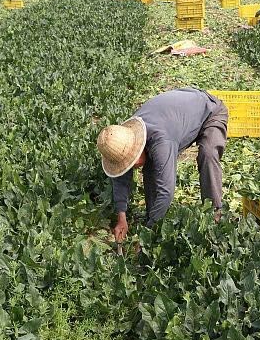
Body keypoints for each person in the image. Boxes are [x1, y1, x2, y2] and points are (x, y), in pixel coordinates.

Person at [97, 88, 229, 242]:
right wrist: (121, 216)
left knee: (208, 153)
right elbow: (120, 177)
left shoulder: (161, 141)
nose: (131, 167)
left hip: (210, 111)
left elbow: (166, 192)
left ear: (139, 147)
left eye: (131, 162)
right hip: (178, 114)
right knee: (151, 166)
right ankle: (153, 215)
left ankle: (214, 215)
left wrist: (146, 234)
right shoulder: (123, 136)